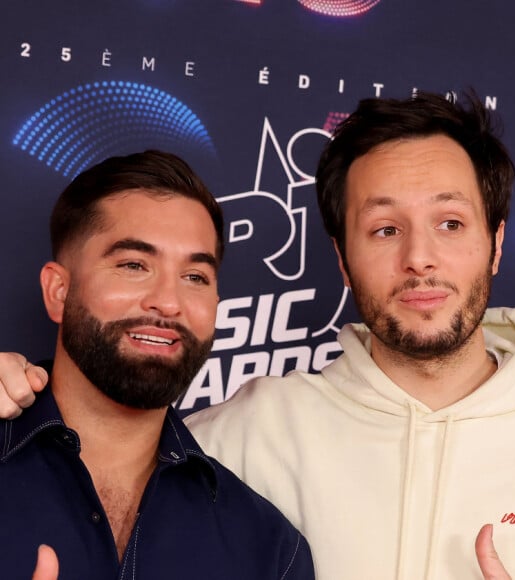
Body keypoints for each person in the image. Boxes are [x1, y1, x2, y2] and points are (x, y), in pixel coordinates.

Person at [1, 92, 515, 579]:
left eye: (450, 224)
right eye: (385, 229)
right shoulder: (244, 433)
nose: (419, 258)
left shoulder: (263, 537)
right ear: (342, 257)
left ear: (497, 242)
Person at [0, 151, 314, 579]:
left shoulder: (268, 545)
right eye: (134, 265)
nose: (168, 301)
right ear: (58, 291)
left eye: (195, 277)